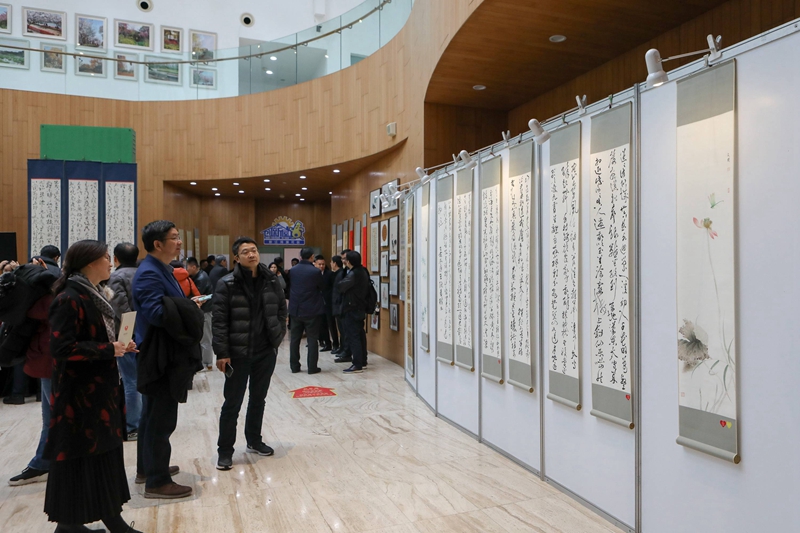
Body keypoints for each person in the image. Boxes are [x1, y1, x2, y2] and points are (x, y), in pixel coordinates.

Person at [44, 240, 141, 533]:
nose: (110, 263)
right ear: (89, 263)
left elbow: (96, 337)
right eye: (105, 258)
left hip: (99, 390)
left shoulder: (95, 293)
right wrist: (108, 349)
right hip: (79, 396)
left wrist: (119, 345)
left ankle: (78, 524)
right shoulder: (69, 297)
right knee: (82, 456)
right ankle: (76, 524)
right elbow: (61, 348)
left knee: (101, 454)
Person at [132, 221, 196, 500]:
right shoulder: (149, 273)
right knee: (161, 420)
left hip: (160, 350)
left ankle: (147, 468)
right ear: (157, 244)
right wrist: (188, 307)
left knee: (151, 415)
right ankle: (157, 482)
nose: (179, 242)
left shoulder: (162, 268)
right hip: (159, 353)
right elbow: (158, 314)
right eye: (174, 238)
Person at [212, 237, 287, 470]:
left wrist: (277, 337)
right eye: (245, 252)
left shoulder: (271, 280)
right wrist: (222, 352)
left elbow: (281, 309)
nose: (251, 255)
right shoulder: (227, 283)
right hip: (238, 353)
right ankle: (225, 451)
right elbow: (219, 321)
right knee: (232, 403)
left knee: (258, 399)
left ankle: (254, 440)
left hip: (265, 351)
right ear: (236, 257)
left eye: (254, 250)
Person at [6, 260, 58, 486]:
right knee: (54, 417)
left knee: (51, 417)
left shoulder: (34, 298)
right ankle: (43, 463)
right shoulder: (48, 299)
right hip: (51, 362)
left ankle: (42, 463)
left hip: (44, 360)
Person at [107, 242, 141, 441]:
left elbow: (121, 308)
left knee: (131, 381)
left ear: (115, 258)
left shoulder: (116, 277)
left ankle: (133, 426)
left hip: (127, 333)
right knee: (143, 379)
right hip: (147, 332)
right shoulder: (145, 273)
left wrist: (128, 335)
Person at [287, 248, 324, 374]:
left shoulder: (293, 270)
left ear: (300, 256)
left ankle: (294, 366)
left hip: (295, 309)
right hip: (312, 309)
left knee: (294, 339)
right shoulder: (315, 271)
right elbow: (322, 287)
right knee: (312, 339)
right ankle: (312, 367)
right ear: (312, 256)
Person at [336, 251, 370, 374]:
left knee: (353, 336)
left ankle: (357, 364)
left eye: (345, 259)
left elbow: (340, 286)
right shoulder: (363, 270)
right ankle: (362, 361)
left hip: (352, 308)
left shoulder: (354, 273)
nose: (344, 261)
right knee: (360, 335)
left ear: (349, 261)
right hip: (360, 307)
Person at [186, 257, 214, 370]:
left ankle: (207, 363)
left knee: (205, 338)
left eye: (187, 267)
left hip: (205, 311)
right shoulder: (199, 275)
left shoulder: (201, 278)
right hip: (203, 311)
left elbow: (197, 296)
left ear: (193, 267)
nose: (186, 270)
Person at [314, 255, 334, 352]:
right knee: (321, 324)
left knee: (330, 324)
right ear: (315, 264)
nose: (321, 266)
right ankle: (325, 342)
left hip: (328, 302)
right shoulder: (313, 274)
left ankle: (334, 344)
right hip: (317, 302)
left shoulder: (329, 274)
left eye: (323, 264)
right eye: (319, 264)